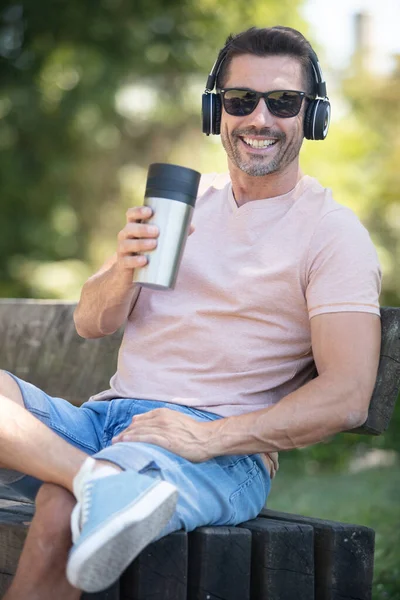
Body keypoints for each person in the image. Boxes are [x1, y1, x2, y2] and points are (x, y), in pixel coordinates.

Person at [0, 25, 381, 599]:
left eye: (283, 102)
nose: (260, 118)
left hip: (216, 448)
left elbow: (348, 395)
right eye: (240, 99)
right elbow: (90, 322)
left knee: (62, 503)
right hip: (107, 422)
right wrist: (125, 266)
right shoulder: (182, 201)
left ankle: (94, 483)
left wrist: (211, 439)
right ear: (216, 111)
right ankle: (102, 479)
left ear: (312, 117)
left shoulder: (331, 234)